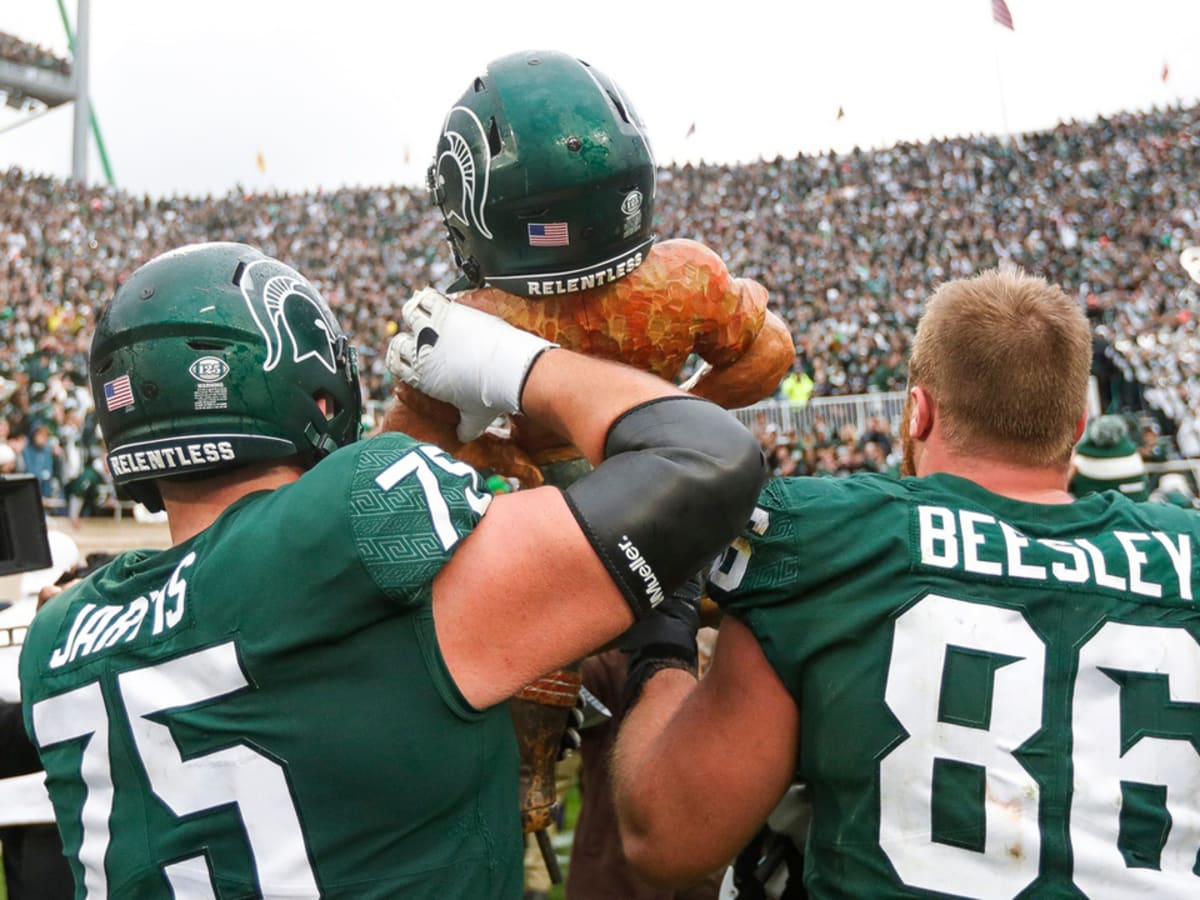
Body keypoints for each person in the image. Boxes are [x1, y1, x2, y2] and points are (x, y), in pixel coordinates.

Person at [18, 242, 767, 898]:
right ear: (313, 384)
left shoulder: (58, 638)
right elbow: (706, 461)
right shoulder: (352, 518)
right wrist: (510, 362)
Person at [611, 267, 1200, 898]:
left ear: (916, 413)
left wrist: (663, 645)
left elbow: (665, 839)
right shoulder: (1186, 552)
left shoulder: (826, 536)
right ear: (1077, 427)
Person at [383, 47, 794, 852]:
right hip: (688, 493)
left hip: (565, 514)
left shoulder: (480, 316)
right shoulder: (685, 277)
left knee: (523, 600)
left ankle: (531, 777)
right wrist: (681, 416)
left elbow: (400, 458)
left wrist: (489, 454)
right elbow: (769, 353)